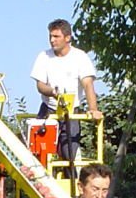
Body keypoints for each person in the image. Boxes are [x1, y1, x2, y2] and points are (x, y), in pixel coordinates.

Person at [30, 18, 103, 162]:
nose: (52, 40)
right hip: (48, 111)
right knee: (39, 155)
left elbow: (88, 84)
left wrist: (93, 109)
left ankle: (73, 181)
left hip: (71, 113)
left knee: (70, 154)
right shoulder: (44, 56)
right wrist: (52, 92)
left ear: (68, 38)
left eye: (56, 36)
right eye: (50, 36)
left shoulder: (80, 57)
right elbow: (40, 85)